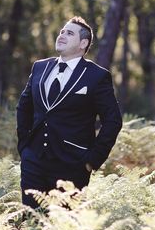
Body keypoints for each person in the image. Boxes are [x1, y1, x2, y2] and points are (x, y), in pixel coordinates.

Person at [16, 16, 123, 208]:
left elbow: (113, 121)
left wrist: (91, 161)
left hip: (73, 166)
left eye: (69, 33)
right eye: (62, 31)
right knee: (31, 222)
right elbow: (24, 107)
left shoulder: (97, 76)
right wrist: (24, 147)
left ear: (83, 43)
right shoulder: (40, 67)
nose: (62, 35)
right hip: (33, 161)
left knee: (62, 227)